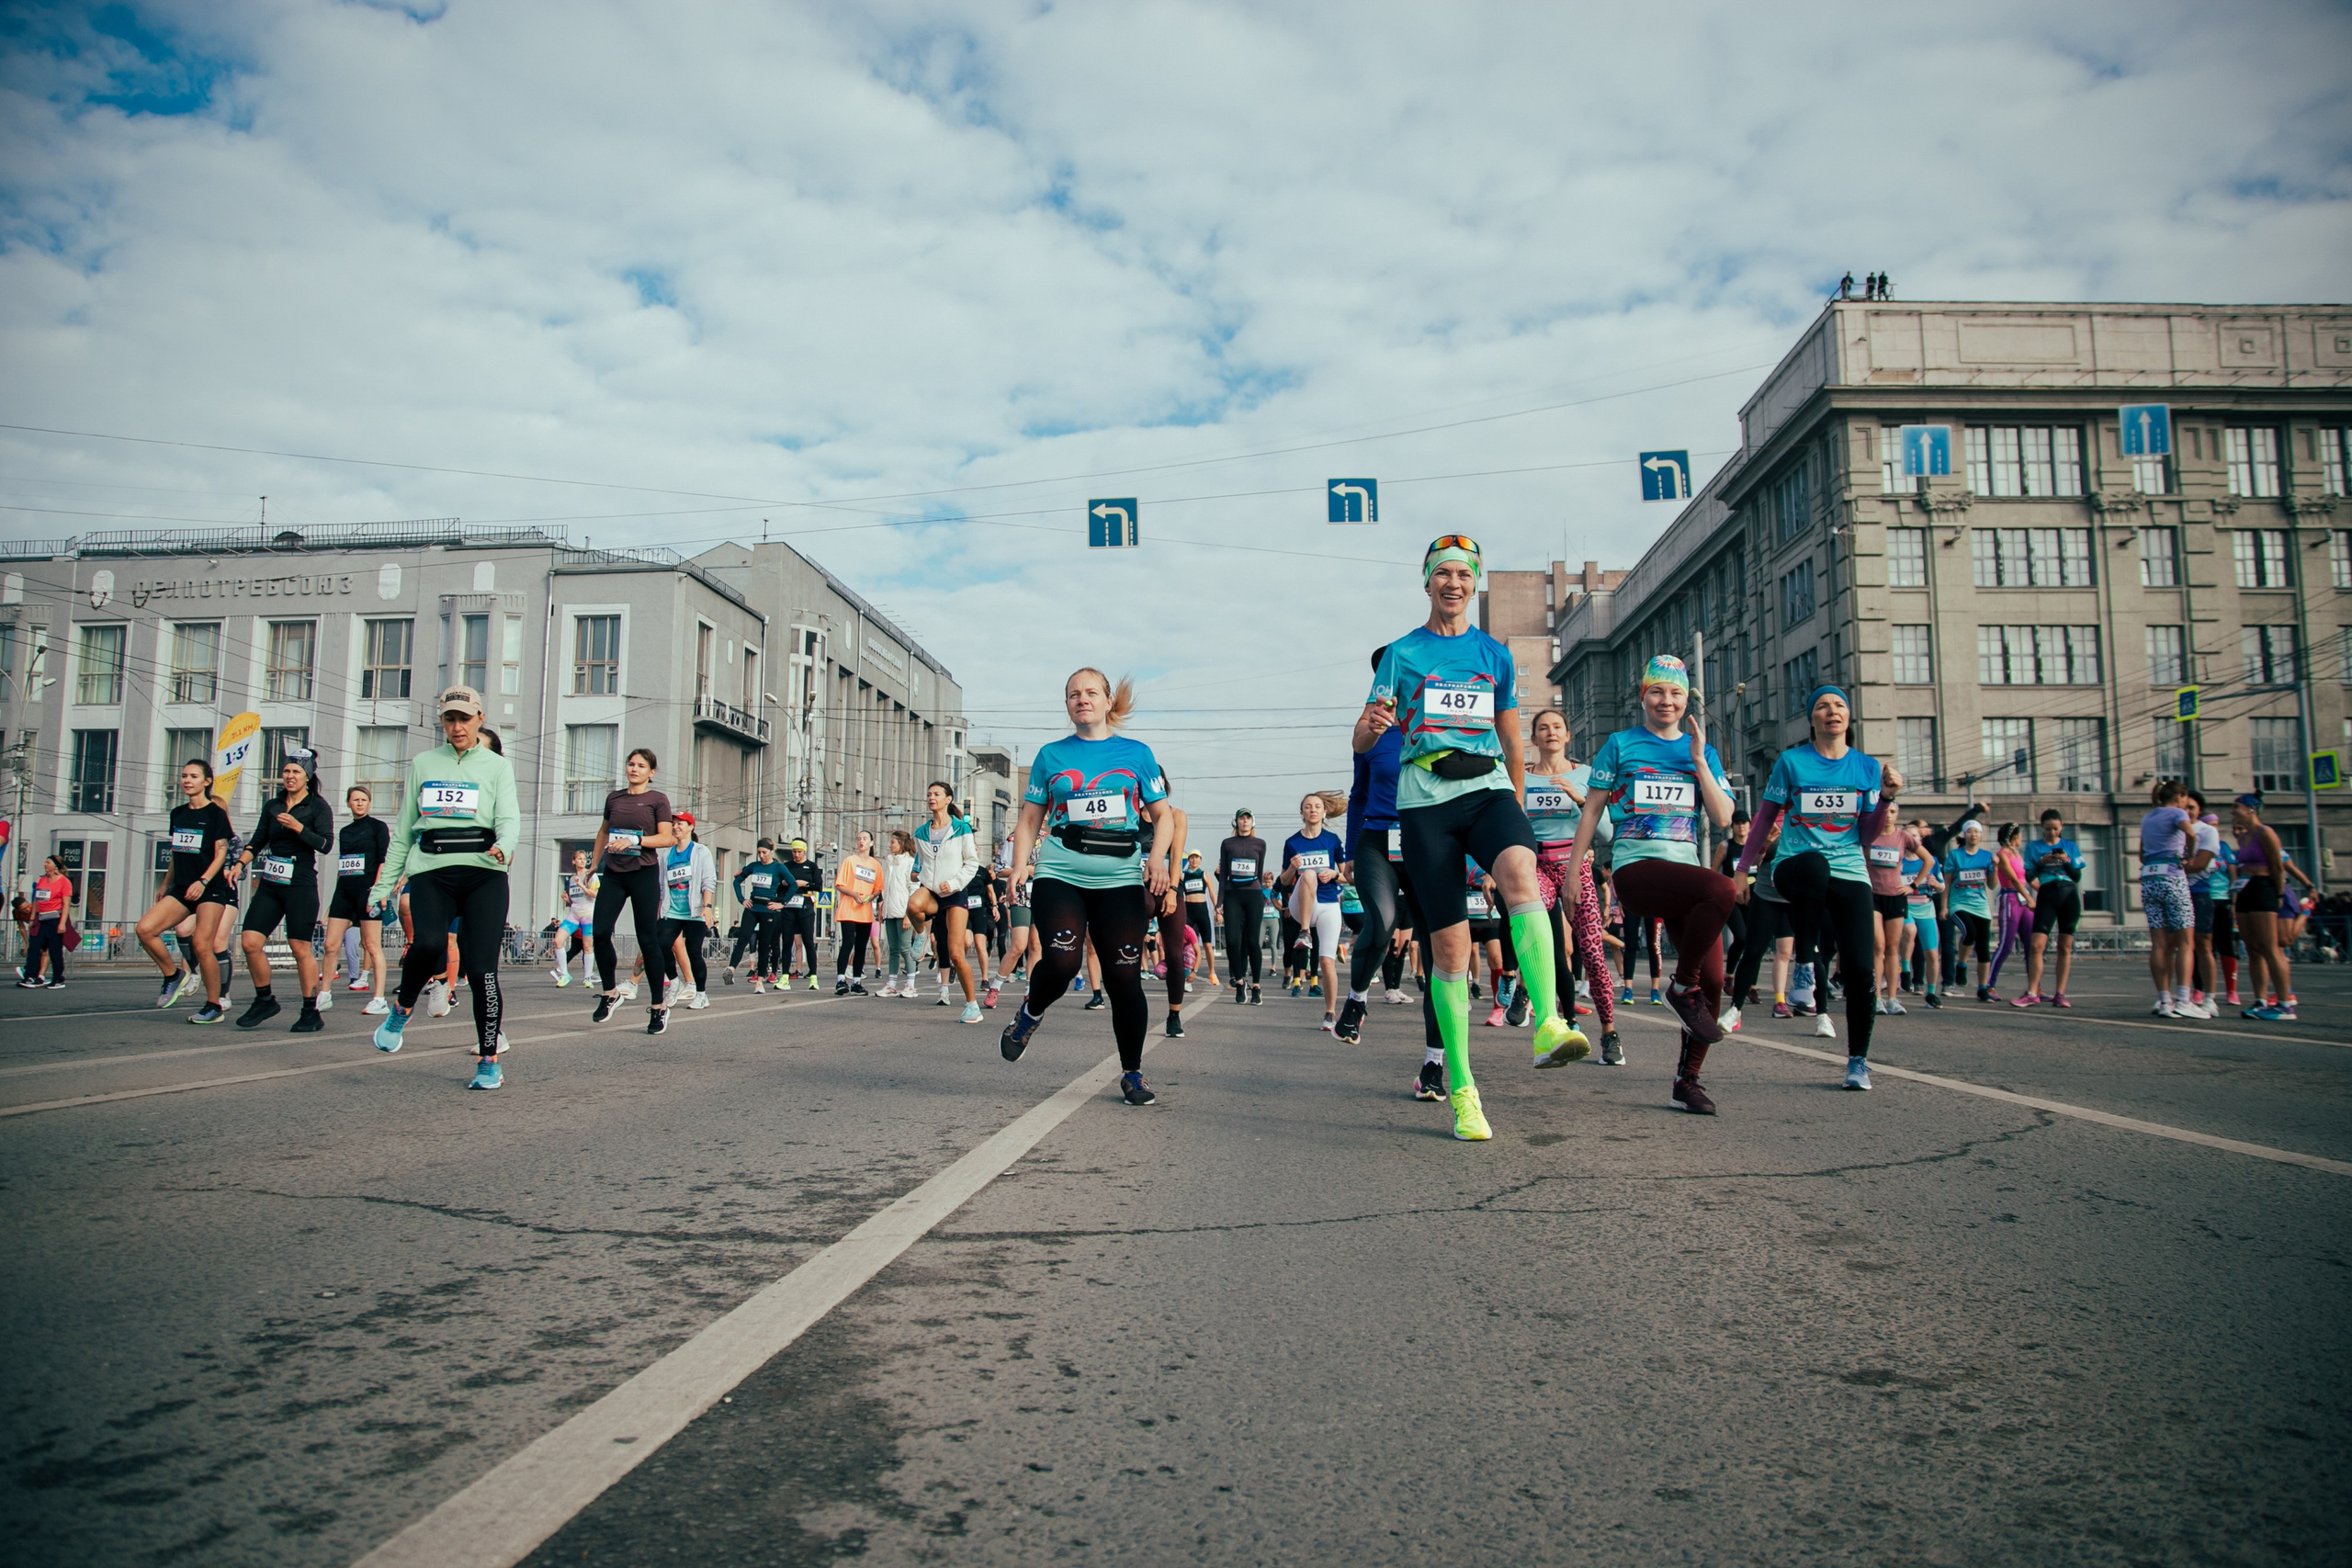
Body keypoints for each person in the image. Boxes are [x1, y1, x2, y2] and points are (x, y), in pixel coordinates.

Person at [1357, 535, 1587, 1143]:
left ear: (1474, 582)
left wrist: (1515, 799)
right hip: (1426, 802)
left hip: (1488, 790)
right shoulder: (1402, 654)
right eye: (1443, 574)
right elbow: (1362, 738)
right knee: (1452, 950)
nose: (1453, 583)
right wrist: (1370, 726)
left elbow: (1511, 739)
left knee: (1519, 873)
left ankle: (1550, 1021)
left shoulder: (1496, 655)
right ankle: (1463, 1091)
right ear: (1427, 582)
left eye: (1463, 574)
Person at [998, 668, 1173, 1107]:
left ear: (1108, 701)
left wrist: (1156, 860)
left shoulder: (1136, 754)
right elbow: (1031, 818)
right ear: (1067, 704)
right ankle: (1030, 1013)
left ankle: (1132, 1073)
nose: (1082, 699)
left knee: (1124, 977)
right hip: (1061, 872)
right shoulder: (1051, 755)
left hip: (1120, 878)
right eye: (1074, 694)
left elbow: (1163, 815)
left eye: (1091, 692)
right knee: (1061, 961)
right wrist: (1019, 866)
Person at [1570, 654, 1733, 1113]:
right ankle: (1680, 988)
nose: (1666, 700)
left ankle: (1687, 1081)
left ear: (1686, 700)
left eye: (1676, 693)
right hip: (1637, 869)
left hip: (1686, 879)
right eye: (1657, 692)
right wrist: (1573, 871)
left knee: (1713, 982)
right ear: (1643, 697)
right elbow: (1593, 810)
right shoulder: (1620, 744)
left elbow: (1723, 816)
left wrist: (1699, 760)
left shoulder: (1701, 751)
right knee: (1722, 890)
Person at [1736, 685, 1897, 1089]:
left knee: (1861, 971)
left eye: (1839, 705)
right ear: (1811, 719)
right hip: (1794, 867)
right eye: (1822, 706)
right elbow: (1764, 819)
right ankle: (1806, 964)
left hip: (1849, 871)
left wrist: (1885, 800)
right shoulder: (1791, 762)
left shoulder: (1866, 767)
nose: (1832, 711)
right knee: (1815, 863)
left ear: (1848, 717)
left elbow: (1867, 835)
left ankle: (1857, 1061)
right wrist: (1743, 869)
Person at [366, 686, 522, 1086]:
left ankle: (489, 1060)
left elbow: (508, 817)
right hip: (432, 870)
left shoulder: (497, 766)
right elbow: (404, 831)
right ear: (442, 721)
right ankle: (402, 1009)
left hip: (484, 872)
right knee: (429, 944)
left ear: (479, 719)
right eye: (450, 719)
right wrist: (382, 888)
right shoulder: (423, 763)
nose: (457, 727)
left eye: (464, 719)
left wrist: (504, 846)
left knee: (483, 971)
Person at [230, 750, 334, 1032]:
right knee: (250, 941)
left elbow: (326, 845)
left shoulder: (317, 806)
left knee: (300, 947)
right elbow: (258, 839)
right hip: (271, 882)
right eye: (286, 771)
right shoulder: (273, 805)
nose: (290, 776)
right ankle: (264, 1000)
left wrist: (299, 827)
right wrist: (240, 864)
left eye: (296, 772)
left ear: (307, 776)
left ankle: (310, 1011)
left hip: (300, 882)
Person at [135, 758, 235, 1013]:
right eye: (184, 776)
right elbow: (177, 853)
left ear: (207, 781)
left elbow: (221, 853)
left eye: (193, 776)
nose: (187, 781)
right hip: (181, 889)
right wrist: (165, 885)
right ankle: (173, 975)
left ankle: (213, 1005)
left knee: (202, 945)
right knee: (145, 929)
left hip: (210, 889)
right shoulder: (177, 814)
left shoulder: (215, 814)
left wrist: (203, 881)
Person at [589, 747, 677, 1032]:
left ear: (651, 772)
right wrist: (594, 863)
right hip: (614, 874)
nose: (634, 769)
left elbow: (666, 838)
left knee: (648, 940)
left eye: (640, 766)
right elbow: (604, 831)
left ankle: (658, 1007)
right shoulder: (614, 798)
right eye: (631, 764)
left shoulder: (657, 800)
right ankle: (610, 993)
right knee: (600, 932)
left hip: (643, 873)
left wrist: (635, 841)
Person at [908, 782, 984, 1021]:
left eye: (937, 794)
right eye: (929, 794)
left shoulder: (961, 828)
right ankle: (921, 936)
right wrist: (920, 875)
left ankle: (972, 1005)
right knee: (913, 905)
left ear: (948, 799)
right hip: (931, 891)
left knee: (956, 954)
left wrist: (953, 883)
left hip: (954, 892)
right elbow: (920, 864)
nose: (931, 797)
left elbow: (971, 863)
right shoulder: (921, 832)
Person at [321, 784, 392, 1012]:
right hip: (344, 891)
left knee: (371, 944)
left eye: (363, 800)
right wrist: (331, 903)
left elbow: (383, 860)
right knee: (330, 944)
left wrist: (379, 891)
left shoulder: (378, 827)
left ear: (369, 803)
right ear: (348, 803)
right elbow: (344, 865)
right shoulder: (345, 831)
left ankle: (379, 999)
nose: (359, 803)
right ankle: (324, 994)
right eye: (355, 800)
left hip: (368, 891)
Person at [1281, 790, 1348, 1032]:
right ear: (1302, 813)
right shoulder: (1292, 843)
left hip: (1328, 904)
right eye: (1308, 806)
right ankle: (1304, 933)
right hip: (1301, 907)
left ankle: (1330, 1013)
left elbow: (1349, 877)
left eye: (1317, 806)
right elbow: (1284, 881)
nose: (1313, 810)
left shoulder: (1332, 841)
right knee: (1309, 874)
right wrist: (1292, 868)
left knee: (1326, 961)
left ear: (1324, 812)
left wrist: (1335, 875)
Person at [2230, 794, 2294, 1021]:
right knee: (2252, 949)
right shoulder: (2244, 836)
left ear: (2251, 810)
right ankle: (2260, 1000)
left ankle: (2284, 1004)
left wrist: (2279, 894)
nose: (2233, 811)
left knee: (2270, 948)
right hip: (2245, 889)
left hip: (2263, 888)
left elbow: (2278, 867)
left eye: (2236, 807)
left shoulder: (2266, 833)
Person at [2138, 780, 2197, 1019]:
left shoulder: (2148, 818)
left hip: (2149, 880)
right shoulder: (2178, 813)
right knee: (2186, 942)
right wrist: (2188, 855)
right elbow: (2190, 833)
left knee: (2159, 944)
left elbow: (2142, 854)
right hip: (2173, 877)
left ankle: (2164, 1001)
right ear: (2180, 796)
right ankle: (2183, 1000)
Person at [2018, 809, 2085, 1009]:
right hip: (2047, 894)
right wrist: (2041, 863)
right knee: (2037, 945)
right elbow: (2029, 877)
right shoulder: (2033, 847)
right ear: (2042, 828)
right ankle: (2032, 992)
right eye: (2048, 829)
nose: (2052, 833)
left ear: (2061, 827)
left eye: (2056, 829)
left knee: (2064, 947)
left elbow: (2077, 877)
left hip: (2068, 894)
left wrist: (2066, 861)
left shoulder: (2070, 846)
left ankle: (2060, 994)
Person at [654, 812, 718, 1009]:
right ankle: (674, 983)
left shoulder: (701, 851)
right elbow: (662, 887)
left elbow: (709, 881)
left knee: (693, 951)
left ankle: (701, 995)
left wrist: (707, 907)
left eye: (680, 823)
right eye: (673, 823)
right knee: (660, 945)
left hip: (694, 911)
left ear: (691, 827)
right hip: (672, 910)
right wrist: (659, 911)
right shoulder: (667, 854)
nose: (675, 827)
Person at [2186, 795, 2238, 1007]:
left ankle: (2230, 990)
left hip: (2219, 898)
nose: (2214, 827)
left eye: (2217, 824)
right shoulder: (2187, 835)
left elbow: (2232, 872)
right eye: (2211, 823)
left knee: (2222, 945)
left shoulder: (2222, 845)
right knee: (2194, 945)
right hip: (2192, 893)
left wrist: (2234, 899)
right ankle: (2197, 989)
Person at [1863, 808, 1913, 1018]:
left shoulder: (1903, 836)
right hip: (1873, 895)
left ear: (1897, 815)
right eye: (1886, 811)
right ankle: (1876, 997)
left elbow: (1928, 859)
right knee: (1878, 946)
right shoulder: (1869, 835)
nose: (1889, 815)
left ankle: (1892, 998)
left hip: (1895, 896)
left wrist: (1913, 885)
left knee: (1893, 948)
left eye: (1893, 811)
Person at [1218, 810, 1269, 1004]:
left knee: (1253, 941)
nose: (1245, 821)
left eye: (1248, 818)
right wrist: (1219, 902)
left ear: (1253, 822)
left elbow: (1260, 873)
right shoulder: (1227, 843)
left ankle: (1256, 986)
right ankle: (1239, 982)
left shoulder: (1260, 844)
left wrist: (1262, 895)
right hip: (1233, 895)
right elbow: (1223, 875)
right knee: (1232, 941)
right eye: (1241, 818)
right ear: (1236, 822)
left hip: (1253, 895)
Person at [1942, 820, 1996, 998]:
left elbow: (1992, 885)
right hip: (1958, 903)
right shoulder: (1955, 856)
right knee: (1969, 932)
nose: (1973, 835)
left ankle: (1982, 988)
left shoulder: (1987, 857)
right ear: (1964, 835)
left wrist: (1995, 867)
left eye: (1977, 832)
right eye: (1970, 831)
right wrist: (1944, 906)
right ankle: (1962, 963)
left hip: (1980, 906)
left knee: (1983, 949)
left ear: (1981, 835)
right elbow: (1947, 883)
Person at [1984, 822, 2036, 998]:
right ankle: (1989, 985)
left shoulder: (2018, 855)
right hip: (2011, 898)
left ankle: (2035, 987)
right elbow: (2014, 879)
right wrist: (2029, 898)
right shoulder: (2002, 855)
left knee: (2031, 945)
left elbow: (2027, 878)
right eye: (2020, 836)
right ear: (2014, 836)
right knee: (2006, 945)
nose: (2021, 839)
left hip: (2024, 899)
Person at [830, 829, 882, 995]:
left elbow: (878, 888)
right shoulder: (850, 861)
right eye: (859, 838)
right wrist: (854, 894)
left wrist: (871, 896)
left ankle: (856, 982)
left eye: (865, 838)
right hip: (849, 909)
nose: (861, 841)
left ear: (871, 843)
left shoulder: (875, 865)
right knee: (847, 943)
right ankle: (840, 980)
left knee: (861, 947)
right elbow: (839, 884)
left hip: (865, 911)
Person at [774, 839, 823, 989]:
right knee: (787, 942)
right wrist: (783, 884)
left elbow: (819, 887)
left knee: (808, 941)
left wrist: (805, 884)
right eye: (794, 852)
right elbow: (778, 887)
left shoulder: (812, 866)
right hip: (789, 906)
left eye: (799, 852)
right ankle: (785, 977)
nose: (796, 855)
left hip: (805, 905)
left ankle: (813, 977)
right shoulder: (787, 866)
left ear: (805, 851)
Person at [1902, 845, 1945, 1009]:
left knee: (1932, 954)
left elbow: (1942, 887)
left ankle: (1931, 994)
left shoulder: (1931, 861)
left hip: (1926, 908)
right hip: (1905, 907)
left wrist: (1936, 884)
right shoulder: (1898, 860)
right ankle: (1905, 970)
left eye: (1915, 836)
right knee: (1909, 930)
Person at [18, 856, 72, 988]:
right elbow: (36, 901)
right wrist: (32, 919)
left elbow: (66, 904)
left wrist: (62, 923)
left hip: (54, 919)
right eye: (45, 862)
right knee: (34, 948)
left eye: (48, 862)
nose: (45, 864)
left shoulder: (64, 882)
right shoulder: (42, 880)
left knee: (54, 951)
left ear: (55, 866)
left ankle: (58, 979)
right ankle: (30, 977)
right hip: (40, 919)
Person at [880, 829, 918, 997]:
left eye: (892, 842)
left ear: (901, 844)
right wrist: (883, 909)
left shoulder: (910, 863)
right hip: (890, 912)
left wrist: (908, 915)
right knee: (894, 950)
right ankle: (891, 984)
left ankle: (911, 985)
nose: (890, 845)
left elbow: (913, 889)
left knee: (905, 949)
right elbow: (886, 889)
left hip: (904, 913)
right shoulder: (889, 862)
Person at [1179, 852, 1216, 987]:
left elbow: (1212, 893)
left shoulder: (1205, 874)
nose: (1194, 860)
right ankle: (1186, 974)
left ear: (1200, 860)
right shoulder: (1183, 875)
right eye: (1192, 858)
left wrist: (1218, 910)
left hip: (1202, 912)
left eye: (1197, 858)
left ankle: (1212, 972)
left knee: (1207, 945)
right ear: (1188, 860)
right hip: (1189, 912)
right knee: (1185, 945)